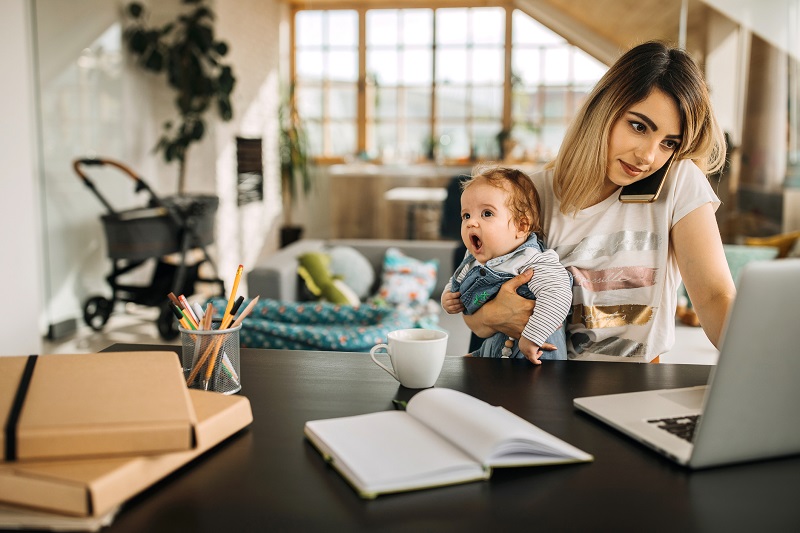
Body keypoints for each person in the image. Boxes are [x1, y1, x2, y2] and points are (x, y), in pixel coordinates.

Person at [463, 41, 736, 363]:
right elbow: (476, 298)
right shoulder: (526, 195)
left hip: (636, 384)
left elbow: (715, 297)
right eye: (638, 126)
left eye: (668, 143)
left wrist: (768, 368)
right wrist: (485, 318)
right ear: (603, 109)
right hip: (538, 379)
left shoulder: (678, 182)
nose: (648, 156)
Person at [441, 166, 572, 364]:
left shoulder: (531, 260)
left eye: (486, 213)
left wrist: (532, 337)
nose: (471, 223)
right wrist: (448, 295)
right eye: (466, 215)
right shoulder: (473, 258)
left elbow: (558, 295)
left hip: (536, 356)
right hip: (494, 350)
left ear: (521, 226)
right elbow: (457, 279)